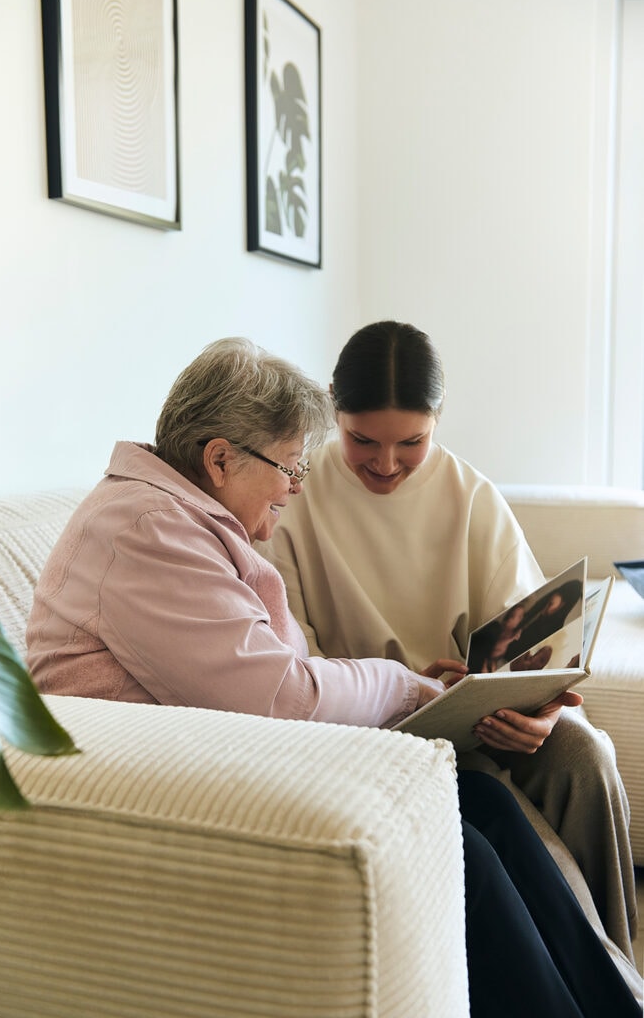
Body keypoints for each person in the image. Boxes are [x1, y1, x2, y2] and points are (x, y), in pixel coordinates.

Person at [26, 337, 640, 1017]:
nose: (295, 486)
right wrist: (405, 684)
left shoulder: (188, 520)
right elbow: (283, 694)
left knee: (485, 802)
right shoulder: (147, 529)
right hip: (166, 773)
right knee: (454, 841)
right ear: (220, 457)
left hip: (235, 742)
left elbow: (274, 678)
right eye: (290, 467)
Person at [260, 320, 639, 968]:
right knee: (521, 828)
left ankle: (615, 965)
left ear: (438, 418)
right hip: (362, 723)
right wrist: (404, 687)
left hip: (471, 717)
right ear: (332, 409)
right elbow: (292, 658)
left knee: (585, 755)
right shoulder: (291, 495)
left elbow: (523, 651)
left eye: (411, 442)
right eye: (361, 440)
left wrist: (535, 711)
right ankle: (581, 973)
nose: (384, 464)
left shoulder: (471, 496)